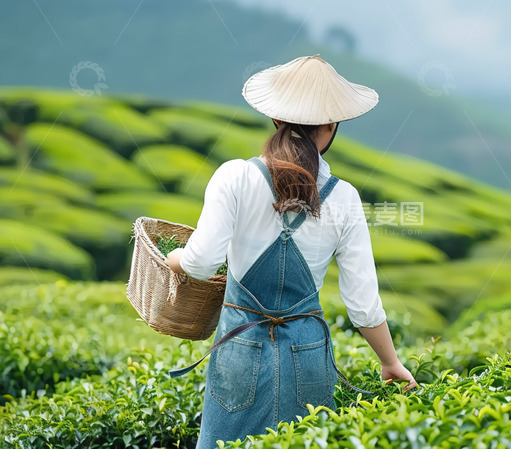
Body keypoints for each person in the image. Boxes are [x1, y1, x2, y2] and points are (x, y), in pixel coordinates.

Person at [164, 55, 417, 447]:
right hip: (309, 358)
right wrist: (390, 362)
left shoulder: (235, 176)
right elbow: (363, 305)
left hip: (240, 354)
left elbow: (199, 263)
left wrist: (173, 258)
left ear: (276, 119)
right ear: (331, 127)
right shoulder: (345, 199)